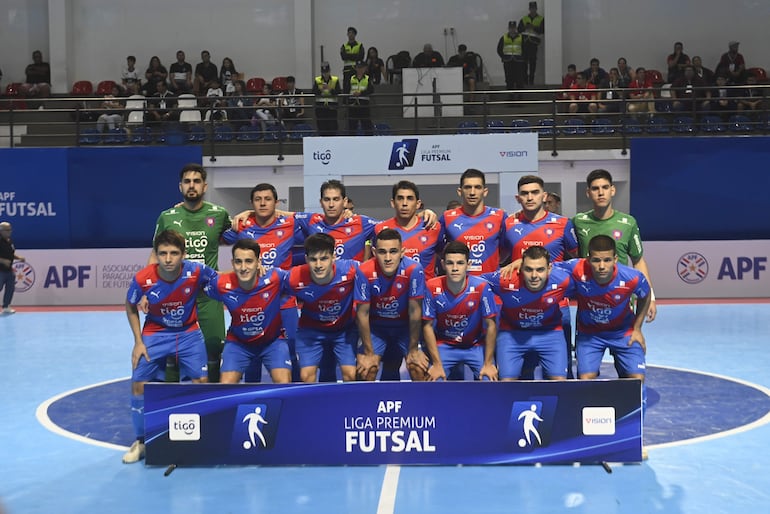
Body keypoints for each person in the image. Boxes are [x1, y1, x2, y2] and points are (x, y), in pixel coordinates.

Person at [123, 229, 216, 464]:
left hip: (188, 333)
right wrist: (138, 342)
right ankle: (141, 441)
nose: (168, 258)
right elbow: (130, 305)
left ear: (183, 254)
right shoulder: (143, 278)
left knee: (200, 383)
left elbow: (222, 278)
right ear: (156, 254)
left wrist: (256, 269)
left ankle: (199, 435)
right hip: (155, 333)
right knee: (138, 385)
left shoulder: (196, 271)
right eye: (163, 253)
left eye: (174, 253)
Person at [151, 163, 232, 382]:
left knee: (214, 347)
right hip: (176, 297)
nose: (192, 186)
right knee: (173, 352)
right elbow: (154, 256)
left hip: (209, 296)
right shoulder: (167, 217)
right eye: (187, 181)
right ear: (180, 187)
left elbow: (240, 235)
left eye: (196, 181)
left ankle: (213, 399)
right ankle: (172, 400)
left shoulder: (219, 215)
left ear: (205, 186)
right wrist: (146, 289)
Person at [222, 183, 303, 382]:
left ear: (276, 202)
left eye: (268, 199)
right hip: (252, 302)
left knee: (291, 351)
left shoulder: (289, 224)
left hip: (284, 302)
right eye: (257, 200)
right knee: (252, 357)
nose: (263, 203)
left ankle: (296, 397)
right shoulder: (242, 225)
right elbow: (215, 235)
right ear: (252, 202)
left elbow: (315, 221)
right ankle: (251, 398)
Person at [501, 175, 578, 377]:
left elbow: (579, 264)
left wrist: (549, 267)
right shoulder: (508, 224)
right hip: (519, 308)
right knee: (523, 373)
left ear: (544, 196)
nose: (530, 197)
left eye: (535, 192)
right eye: (525, 194)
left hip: (556, 307)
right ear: (518, 198)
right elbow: (499, 258)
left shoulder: (563, 224)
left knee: (561, 371)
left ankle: (562, 408)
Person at [560, 234, 651, 384]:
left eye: (607, 260)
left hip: (623, 333)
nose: (601, 266)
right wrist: (519, 261)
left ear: (615, 259)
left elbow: (645, 296)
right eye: (596, 260)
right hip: (590, 335)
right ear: (588, 259)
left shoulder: (632, 277)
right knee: (585, 380)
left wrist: (637, 328)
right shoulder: (577, 268)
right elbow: (545, 267)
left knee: (636, 381)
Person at [572, 169, 657, 321]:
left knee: (626, 342)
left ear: (612, 190)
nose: (600, 192)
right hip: (589, 302)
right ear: (588, 193)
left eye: (605, 187)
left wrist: (650, 297)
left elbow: (638, 261)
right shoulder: (578, 221)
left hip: (622, 300)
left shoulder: (628, 223)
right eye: (595, 188)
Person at [203, 239, 292, 384]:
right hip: (238, 343)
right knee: (226, 385)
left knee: (283, 383)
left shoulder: (275, 278)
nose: (243, 267)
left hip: (273, 342)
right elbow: (196, 283)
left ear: (258, 262)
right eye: (238, 262)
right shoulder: (221, 284)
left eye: (249, 261)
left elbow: (305, 279)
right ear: (233, 263)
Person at [484, 246, 574, 380]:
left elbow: (585, 267)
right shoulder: (505, 278)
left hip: (550, 333)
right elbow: (474, 283)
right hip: (512, 333)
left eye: (540, 270)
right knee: (505, 382)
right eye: (528, 269)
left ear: (549, 269)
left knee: (559, 382)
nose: (534, 276)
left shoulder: (563, 279)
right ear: (521, 268)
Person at [285, 233, 363, 383]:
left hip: (344, 331)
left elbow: (376, 271)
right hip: (311, 332)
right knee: (306, 377)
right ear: (306, 259)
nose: (319, 265)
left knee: (351, 375)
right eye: (313, 260)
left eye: (324, 259)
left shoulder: (351, 270)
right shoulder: (294, 277)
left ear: (334, 257)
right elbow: (270, 281)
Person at [354, 229, 427, 381]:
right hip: (376, 329)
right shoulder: (364, 270)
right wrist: (368, 352)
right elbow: (362, 314)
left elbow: (415, 312)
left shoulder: (413, 269)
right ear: (374, 252)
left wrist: (413, 350)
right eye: (382, 252)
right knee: (366, 369)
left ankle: (420, 404)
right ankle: (367, 405)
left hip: (404, 328)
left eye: (393, 252)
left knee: (418, 368)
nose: (388, 258)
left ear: (402, 252)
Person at [422, 242, 499, 381]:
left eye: (460, 263)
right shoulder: (432, 286)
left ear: (468, 264)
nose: (455, 268)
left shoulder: (482, 287)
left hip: (474, 346)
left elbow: (491, 325)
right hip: (445, 345)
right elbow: (427, 326)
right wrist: (437, 364)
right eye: (450, 263)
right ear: (443, 264)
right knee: (434, 380)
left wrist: (488, 363)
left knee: (489, 379)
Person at [441, 168, 508, 275]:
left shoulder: (500, 217)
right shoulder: (447, 217)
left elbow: (506, 250)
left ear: (485, 192)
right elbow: (440, 250)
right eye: (468, 187)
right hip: (458, 286)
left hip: (489, 284)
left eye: (477, 187)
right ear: (460, 191)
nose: (472, 192)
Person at [0, 222, 24, 315]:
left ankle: (6, 306)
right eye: (7, 230)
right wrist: (3, 261)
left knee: (10, 288)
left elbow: (10, 254)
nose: (10, 232)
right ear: (1, 231)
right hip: (0, 270)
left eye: (10, 230)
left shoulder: (9, 241)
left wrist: (18, 258)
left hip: (9, 270)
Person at [344, 60, 374, 136]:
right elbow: (347, 90)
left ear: (364, 68)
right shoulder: (351, 78)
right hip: (353, 105)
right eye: (358, 68)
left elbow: (371, 90)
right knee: (352, 126)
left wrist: (361, 93)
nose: (360, 70)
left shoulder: (368, 78)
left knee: (367, 126)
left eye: (361, 68)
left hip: (364, 105)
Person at [518, 1, 544, 86]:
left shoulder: (541, 19)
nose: (532, 10)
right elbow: (519, 30)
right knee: (524, 63)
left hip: (534, 44)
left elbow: (542, 30)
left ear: (536, 9)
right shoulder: (524, 18)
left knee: (533, 63)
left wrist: (533, 27)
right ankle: (525, 81)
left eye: (534, 8)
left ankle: (531, 81)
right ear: (529, 9)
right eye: (531, 8)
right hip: (525, 43)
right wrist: (525, 27)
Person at [312, 61, 341, 136]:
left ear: (329, 71)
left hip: (332, 107)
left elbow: (338, 92)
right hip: (320, 108)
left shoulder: (335, 79)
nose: (325, 74)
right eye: (324, 72)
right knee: (321, 127)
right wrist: (320, 90)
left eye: (327, 72)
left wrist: (330, 89)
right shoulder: (317, 80)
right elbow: (314, 92)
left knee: (332, 127)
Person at [497, 21, 525, 97]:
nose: (512, 29)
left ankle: (520, 97)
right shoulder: (504, 37)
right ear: (508, 28)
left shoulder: (521, 37)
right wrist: (504, 57)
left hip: (518, 61)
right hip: (507, 61)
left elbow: (525, 49)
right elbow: (499, 49)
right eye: (511, 28)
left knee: (519, 79)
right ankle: (510, 96)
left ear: (516, 28)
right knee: (509, 79)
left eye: (513, 28)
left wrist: (523, 58)